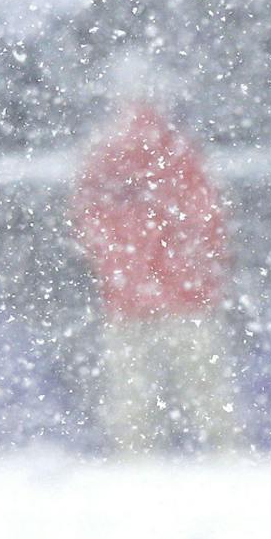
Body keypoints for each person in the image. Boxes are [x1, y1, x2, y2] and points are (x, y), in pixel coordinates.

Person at [71, 77, 234, 453]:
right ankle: (224, 457)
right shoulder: (178, 151)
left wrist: (121, 267)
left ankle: (136, 459)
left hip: (128, 297)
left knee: (132, 398)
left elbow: (88, 222)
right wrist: (198, 270)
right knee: (205, 392)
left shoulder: (105, 154)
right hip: (185, 295)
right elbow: (206, 219)